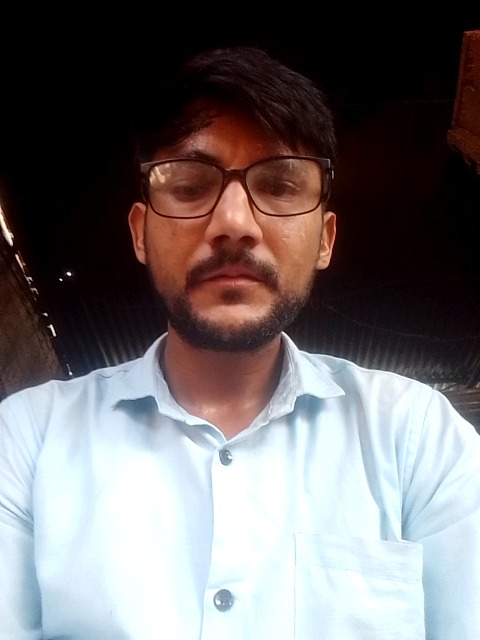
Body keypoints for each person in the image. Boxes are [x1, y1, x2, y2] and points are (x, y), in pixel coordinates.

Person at [0, 45, 479, 640]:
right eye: (188, 185)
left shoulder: (418, 440)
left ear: (325, 240)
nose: (233, 223)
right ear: (140, 233)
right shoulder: (27, 441)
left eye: (279, 185)